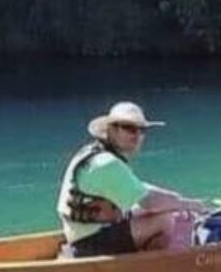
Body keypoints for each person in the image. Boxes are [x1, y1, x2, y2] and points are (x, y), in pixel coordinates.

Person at [57, 101, 206, 257]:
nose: (137, 136)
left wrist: (178, 202)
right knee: (165, 220)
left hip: (85, 236)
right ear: (111, 130)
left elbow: (139, 190)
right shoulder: (107, 164)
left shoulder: (94, 154)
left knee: (163, 210)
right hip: (88, 244)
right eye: (129, 128)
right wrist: (186, 204)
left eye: (142, 130)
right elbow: (149, 202)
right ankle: (149, 271)